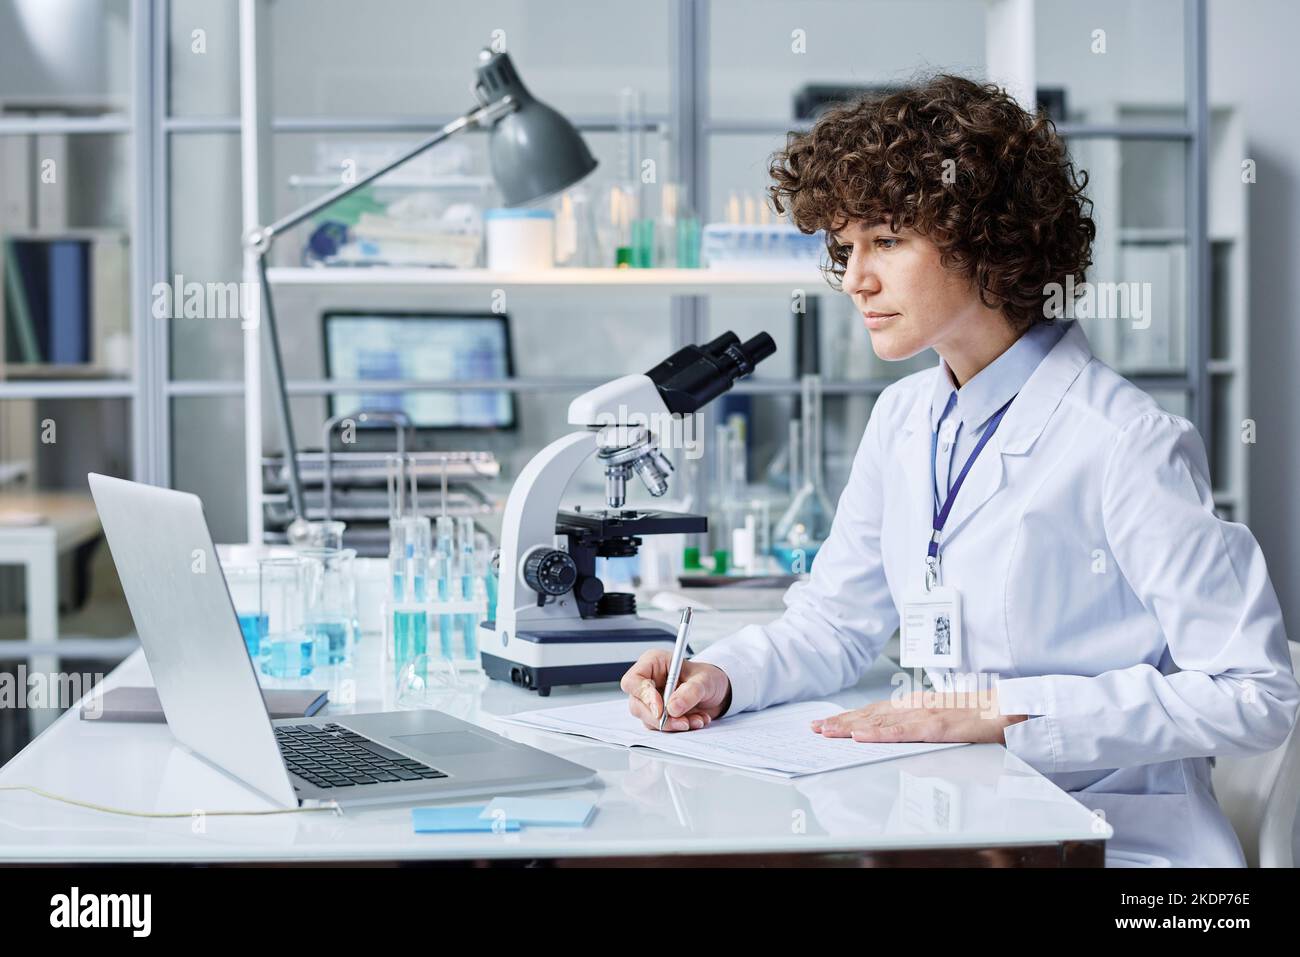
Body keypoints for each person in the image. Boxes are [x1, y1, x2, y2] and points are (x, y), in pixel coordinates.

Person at [619, 75, 1299, 867]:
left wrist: (999, 711)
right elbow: (834, 625)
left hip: (1113, 844)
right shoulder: (903, 419)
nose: (853, 278)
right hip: (955, 826)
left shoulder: (1125, 441)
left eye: (886, 241)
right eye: (846, 247)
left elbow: (1256, 692)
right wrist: (721, 676)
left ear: (985, 237)